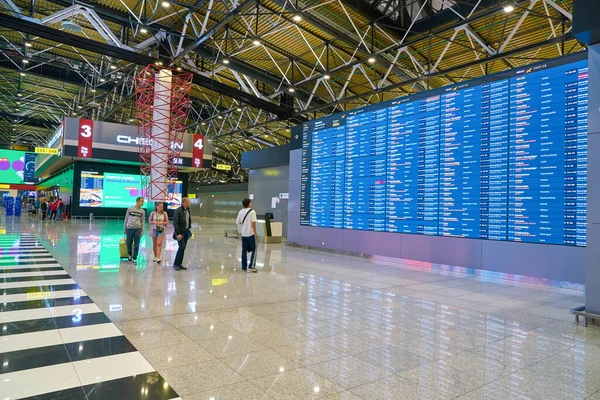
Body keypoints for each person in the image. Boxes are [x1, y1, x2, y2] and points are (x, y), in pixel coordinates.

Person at [236, 198, 258, 273]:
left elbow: (237, 222)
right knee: (254, 250)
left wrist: (244, 226)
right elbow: (254, 222)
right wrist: (255, 231)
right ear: (249, 203)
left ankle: (243, 267)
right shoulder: (252, 211)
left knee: (244, 250)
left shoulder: (241, 211)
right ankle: (251, 266)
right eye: (250, 202)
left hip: (244, 234)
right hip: (251, 234)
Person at [124, 197, 145, 264]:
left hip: (137, 229)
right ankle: (129, 254)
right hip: (129, 228)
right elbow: (126, 218)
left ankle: (135, 258)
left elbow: (143, 221)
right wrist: (125, 228)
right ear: (137, 201)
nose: (143, 202)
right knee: (128, 243)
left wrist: (142, 230)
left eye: (143, 201)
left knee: (137, 244)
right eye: (141, 201)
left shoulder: (142, 211)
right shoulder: (130, 209)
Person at [172, 197, 191, 271]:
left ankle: (179, 263)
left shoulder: (187, 210)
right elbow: (175, 223)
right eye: (188, 202)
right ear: (184, 203)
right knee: (181, 247)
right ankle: (176, 264)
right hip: (180, 232)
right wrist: (178, 233)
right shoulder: (178, 210)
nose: (189, 203)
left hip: (186, 231)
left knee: (183, 248)